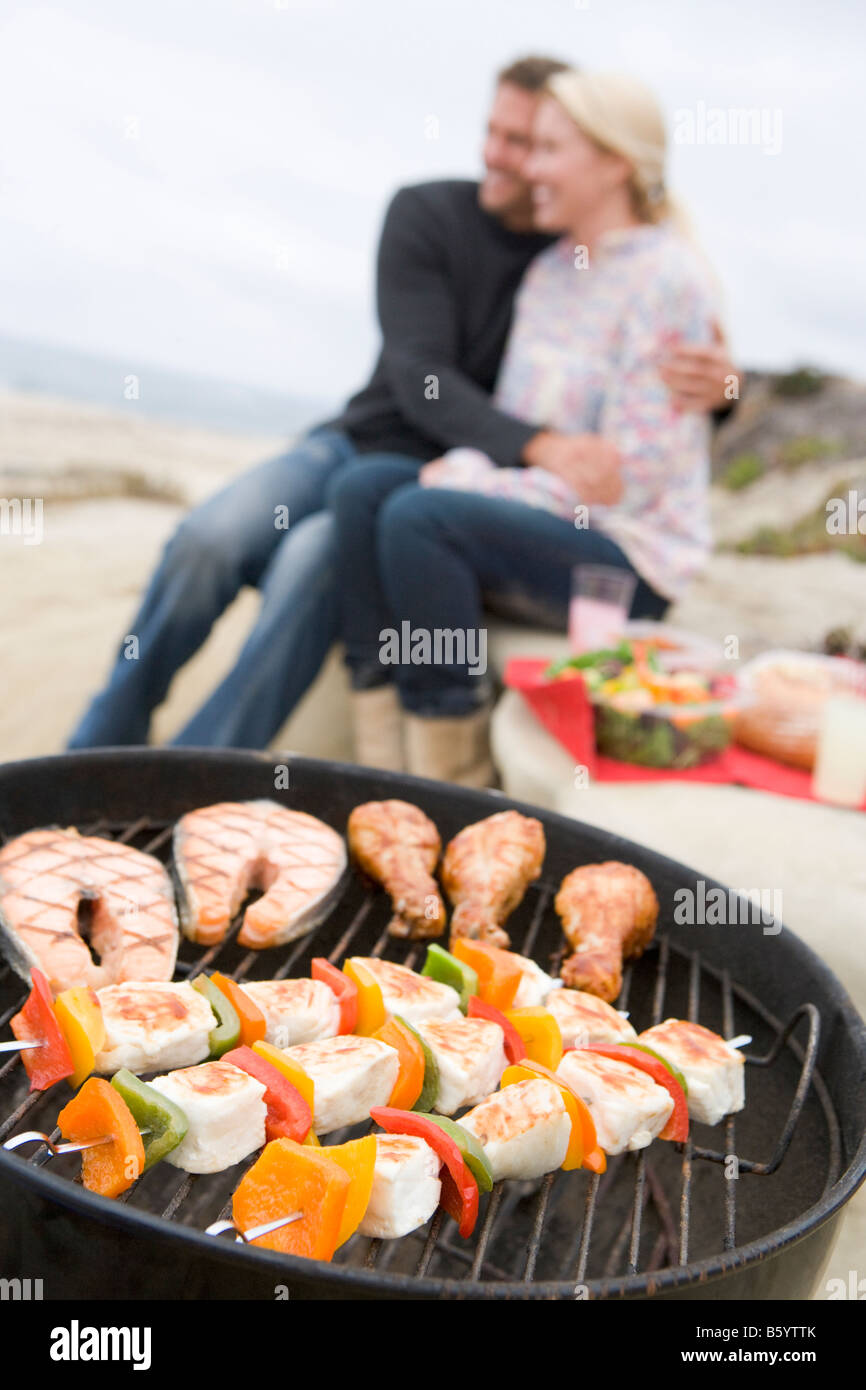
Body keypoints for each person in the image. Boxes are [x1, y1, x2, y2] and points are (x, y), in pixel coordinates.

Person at [67, 56, 737, 753]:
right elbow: (423, 376)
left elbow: (652, 394)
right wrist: (541, 448)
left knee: (311, 563)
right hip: (369, 441)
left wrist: (724, 388)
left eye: (534, 143)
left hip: (460, 478)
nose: (505, 158)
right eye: (500, 134)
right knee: (212, 538)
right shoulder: (436, 216)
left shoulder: (581, 249)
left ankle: (197, 769)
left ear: (606, 160)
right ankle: (102, 737)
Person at [330, 69, 726, 786]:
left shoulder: (670, 281)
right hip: (545, 516)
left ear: (613, 163)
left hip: (624, 557)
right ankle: (382, 760)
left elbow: (625, 484)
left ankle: (453, 779)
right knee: (363, 491)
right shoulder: (548, 272)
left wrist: (466, 478)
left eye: (547, 150)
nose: (528, 169)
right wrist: (477, 473)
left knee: (424, 516)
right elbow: (513, 433)